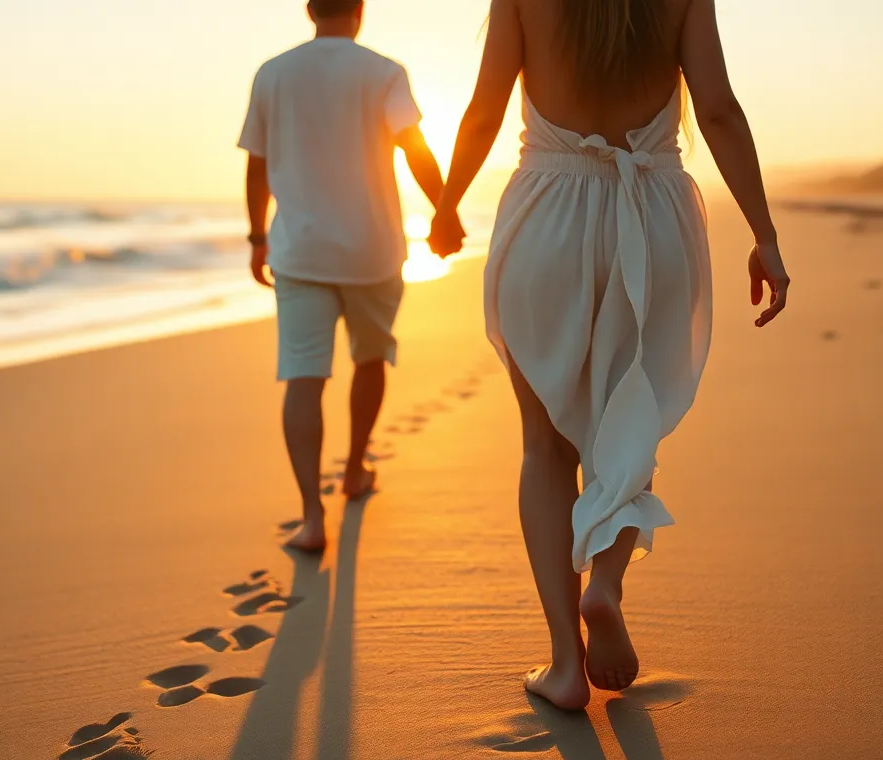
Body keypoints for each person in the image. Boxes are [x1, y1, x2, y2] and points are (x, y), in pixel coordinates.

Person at [429, 0, 790, 709]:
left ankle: (566, 665)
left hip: (546, 217)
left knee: (543, 447)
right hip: (650, 217)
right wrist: (765, 233)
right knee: (633, 416)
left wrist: (446, 203)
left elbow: (481, 110)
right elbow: (717, 109)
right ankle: (607, 586)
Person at [239, 0, 455, 553]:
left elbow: (257, 164)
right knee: (370, 357)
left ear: (310, 9)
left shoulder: (274, 73)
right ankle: (355, 467)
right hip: (373, 250)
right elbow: (414, 147)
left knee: (303, 378)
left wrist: (258, 237)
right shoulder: (385, 72)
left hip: (300, 252)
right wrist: (444, 210)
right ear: (359, 10)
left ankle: (312, 517)